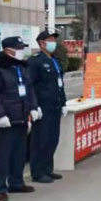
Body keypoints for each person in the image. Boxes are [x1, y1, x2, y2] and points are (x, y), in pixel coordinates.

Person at [0, 36, 42, 201]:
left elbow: (29, 89)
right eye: (19, 48)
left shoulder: (21, 67)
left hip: (21, 117)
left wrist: (33, 107)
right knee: (1, 155)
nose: (22, 51)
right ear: (8, 50)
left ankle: (16, 182)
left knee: (19, 153)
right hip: (4, 119)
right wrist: (0, 115)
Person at [28, 29, 68, 183]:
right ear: (42, 43)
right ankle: (38, 172)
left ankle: (47, 169)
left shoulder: (54, 60)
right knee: (41, 139)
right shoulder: (35, 61)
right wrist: (34, 106)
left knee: (52, 139)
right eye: (50, 40)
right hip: (42, 107)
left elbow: (60, 84)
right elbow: (30, 85)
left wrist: (63, 102)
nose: (53, 43)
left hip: (55, 105)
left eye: (54, 40)